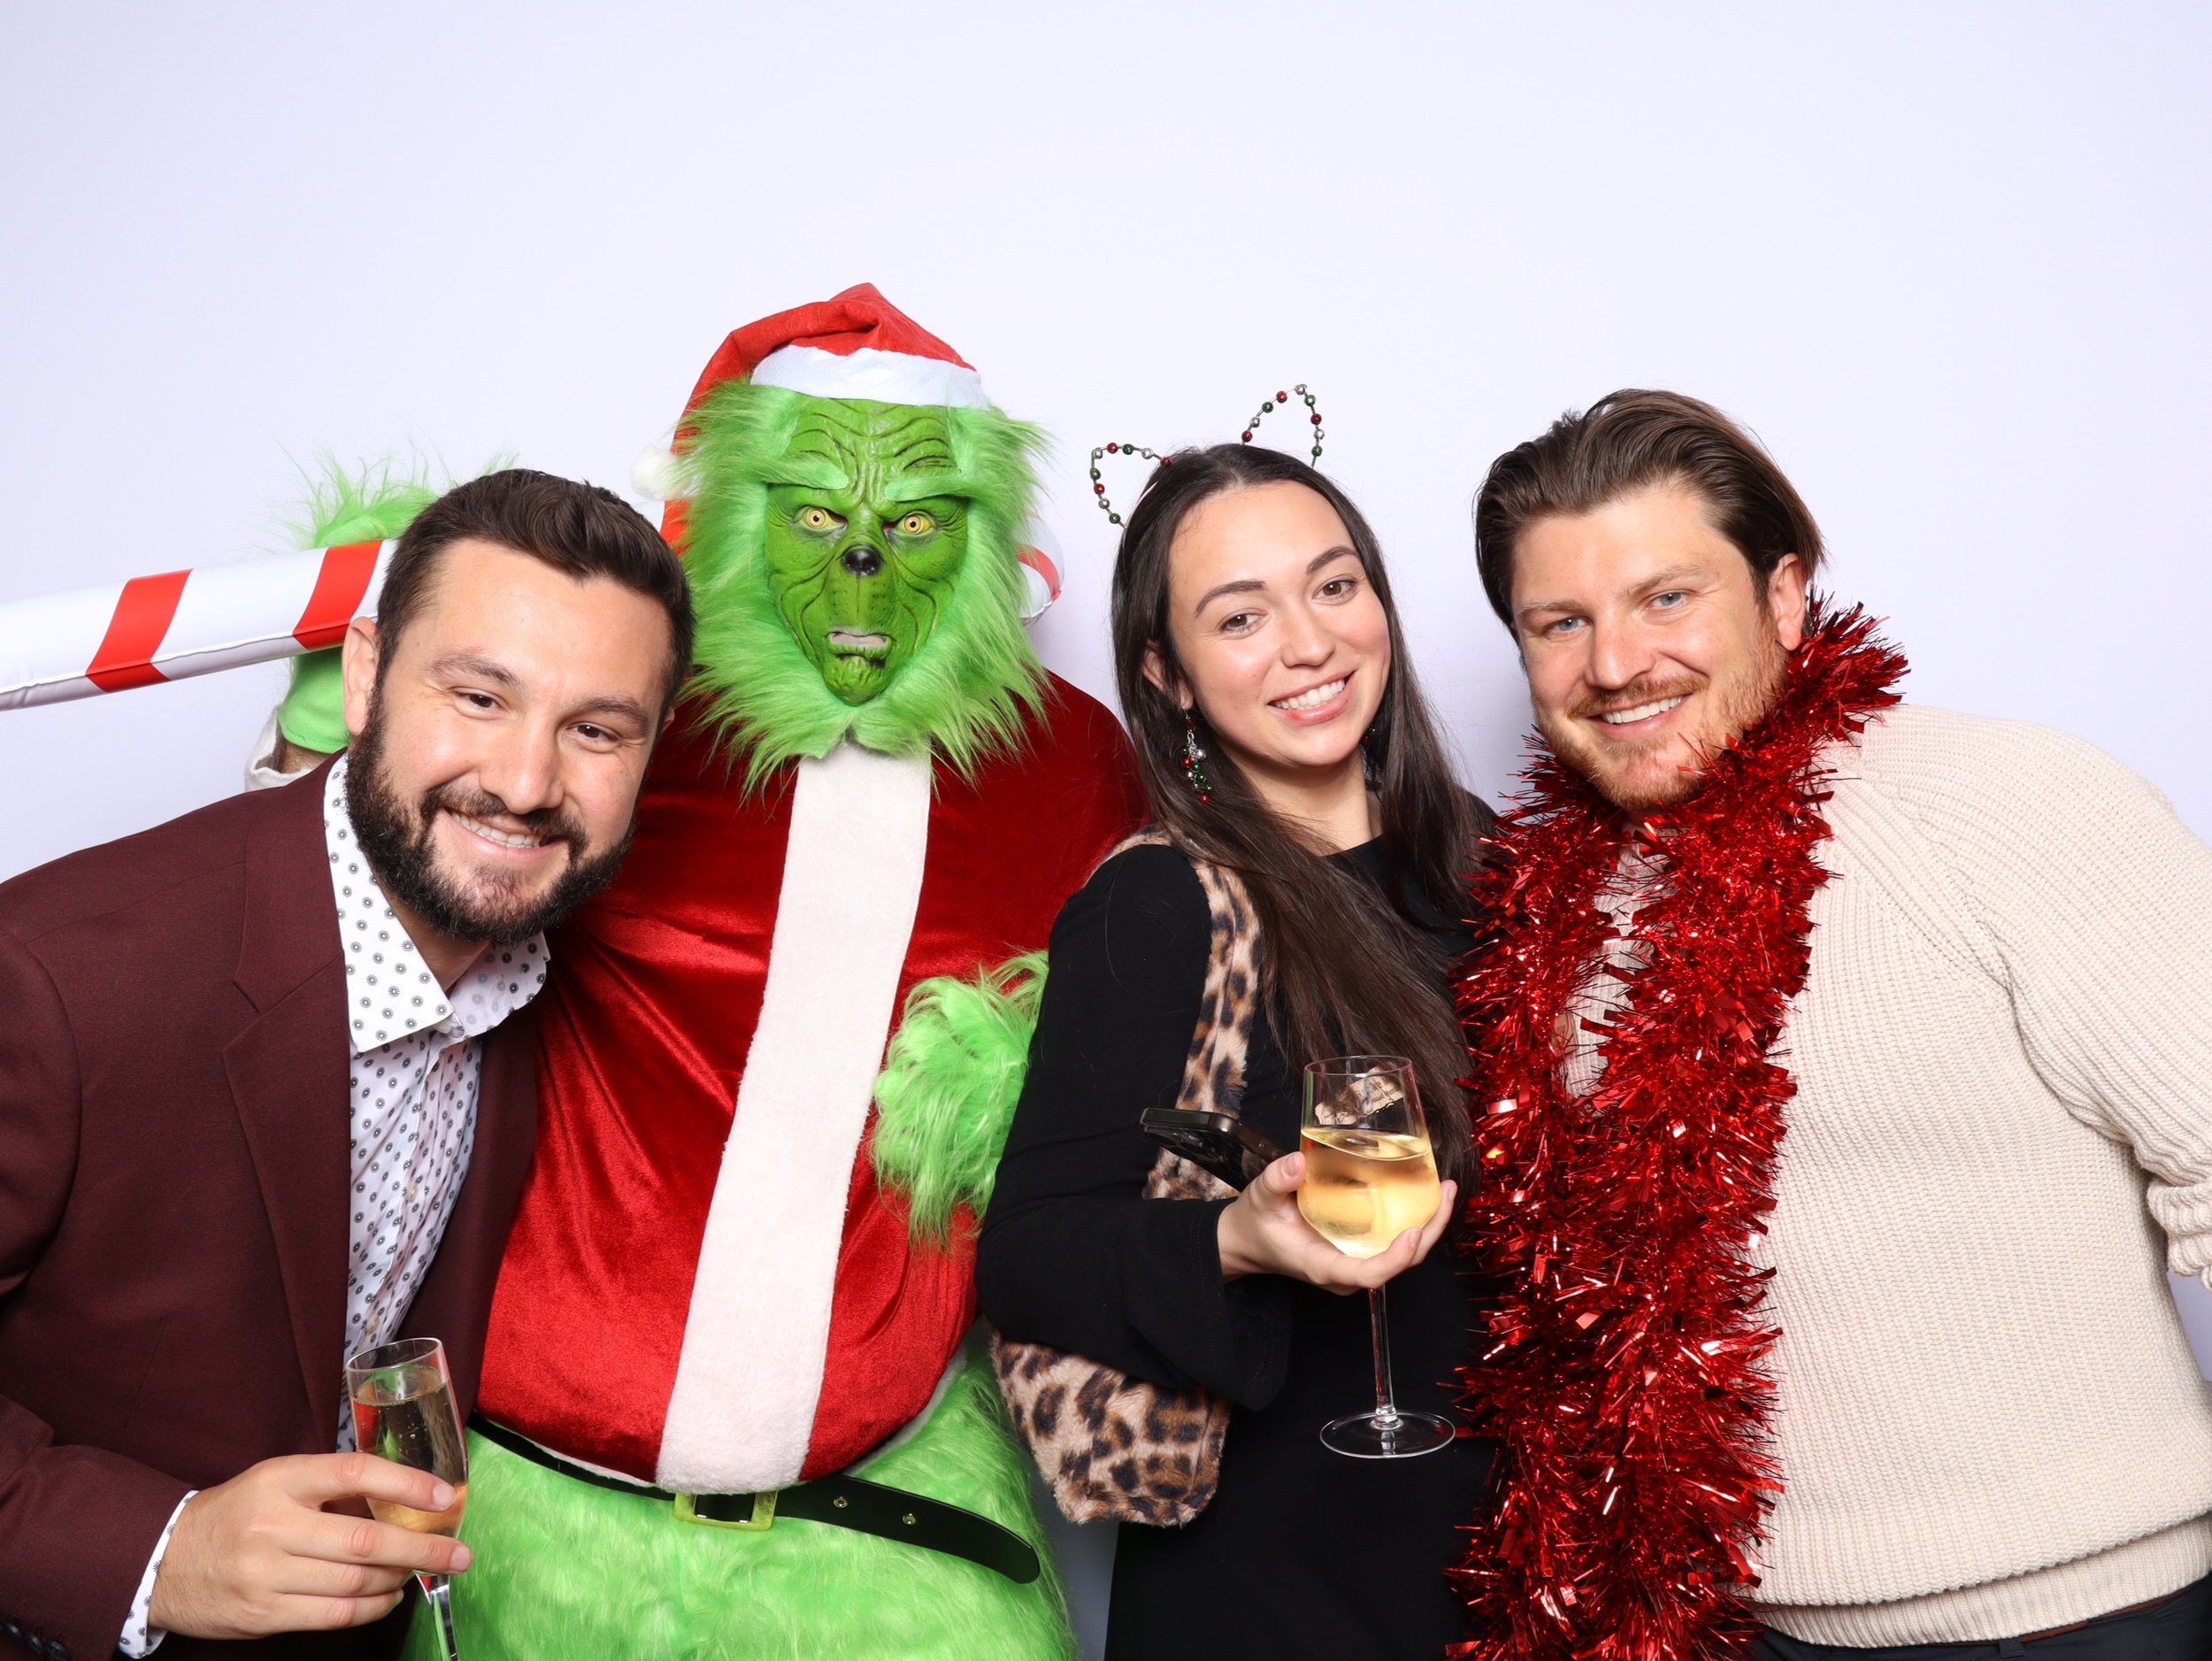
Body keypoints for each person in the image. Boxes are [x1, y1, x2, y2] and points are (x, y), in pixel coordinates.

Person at [1453, 389, 2212, 1660]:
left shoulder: (2002, 802)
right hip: (1737, 1628)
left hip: (2081, 1614)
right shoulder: (1551, 919)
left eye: (1667, 597)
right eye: (1560, 622)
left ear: (1786, 597)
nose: (1617, 663)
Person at [0, 469, 692, 1661]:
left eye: (596, 729)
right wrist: (158, 1547)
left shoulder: (561, 977)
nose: (527, 783)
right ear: (365, 674)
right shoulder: (56, 972)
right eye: (480, 695)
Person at [979, 442, 1494, 1658]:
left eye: (1333, 586)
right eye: (1240, 616)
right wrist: (1236, 1239)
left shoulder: (1490, 862)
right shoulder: (1159, 905)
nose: (1309, 642)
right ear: (1168, 673)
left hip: (1517, 1557)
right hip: (1288, 1586)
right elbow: (1029, 1257)